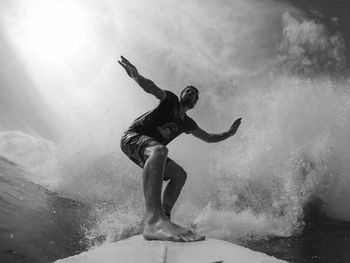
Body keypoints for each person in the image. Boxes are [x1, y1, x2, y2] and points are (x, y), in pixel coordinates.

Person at [118, 56, 242, 242]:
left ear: (194, 102)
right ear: (182, 93)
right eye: (187, 90)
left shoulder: (187, 123)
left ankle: (164, 217)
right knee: (159, 150)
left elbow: (208, 138)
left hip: (150, 150)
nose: (190, 92)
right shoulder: (170, 101)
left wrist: (229, 134)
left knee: (179, 175)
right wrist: (136, 76)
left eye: (193, 93)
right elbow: (152, 88)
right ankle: (154, 220)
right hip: (132, 138)